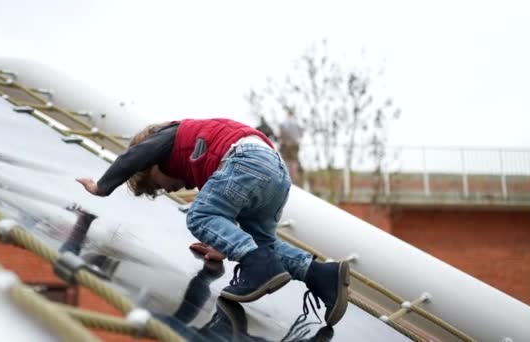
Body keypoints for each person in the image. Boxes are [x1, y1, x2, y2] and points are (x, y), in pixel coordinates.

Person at [76, 118, 349, 326]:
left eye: (154, 184)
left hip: (247, 161)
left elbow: (136, 155)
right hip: (275, 173)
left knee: (199, 215)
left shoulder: (170, 137)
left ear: (152, 163)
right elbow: (225, 209)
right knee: (262, 242)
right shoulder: (203, 158)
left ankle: (259, 267)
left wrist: (103, 186)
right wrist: (222, 245)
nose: (167, 190)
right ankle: (321, 275)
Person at [278, 110, 304, 184]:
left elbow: (281, 133)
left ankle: (287, 178)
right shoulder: (297, 123)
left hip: (286, 145)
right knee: (293, 161)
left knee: (287, 161)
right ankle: (292, 178)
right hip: (295, 145)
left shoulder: (284, 123)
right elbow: (301, 134)